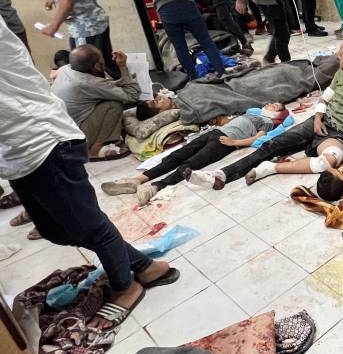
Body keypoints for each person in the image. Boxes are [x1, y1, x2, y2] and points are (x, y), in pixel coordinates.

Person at [0, 18, 178, 323]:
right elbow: (132, 94)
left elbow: (130, 96)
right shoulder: (85, 79)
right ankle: (144, 266)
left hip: (42, 143)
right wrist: (120, 72)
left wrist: (119, 73)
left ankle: (126, 286)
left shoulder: (71, 74)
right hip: (21, 152)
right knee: (61, 229)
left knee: (88, 226)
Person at [190, 37, 343, 190]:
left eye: (340, 55)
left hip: (339, 133)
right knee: (272, 145)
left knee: (326, 163)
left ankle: (269, 168)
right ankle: (222, 175)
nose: (337, 57)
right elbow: (325, 98)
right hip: (320, 121)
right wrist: (318, 117)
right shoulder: (339, 74)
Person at [101, 103, 292, 205]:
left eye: (276, 106)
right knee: (176, 156)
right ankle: (138, 179)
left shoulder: (266, 122)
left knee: (193, 162)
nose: (271, 104)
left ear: (278, 115)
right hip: (214, 133)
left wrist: (234, 143)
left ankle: (157, 186)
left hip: (224, 142)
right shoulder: (251, 113)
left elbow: (256, 140)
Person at [50, 45, 137, 160]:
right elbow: (132, 96)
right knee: (113, 104)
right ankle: (94, 150)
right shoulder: (88, 82)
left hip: (61, 133)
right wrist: (123, 67)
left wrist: (121, 81)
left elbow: (101, 86)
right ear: (96, 65)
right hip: (76, 138)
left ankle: (102, 141)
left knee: (106, 98)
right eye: (102, 61)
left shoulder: (66, 69)